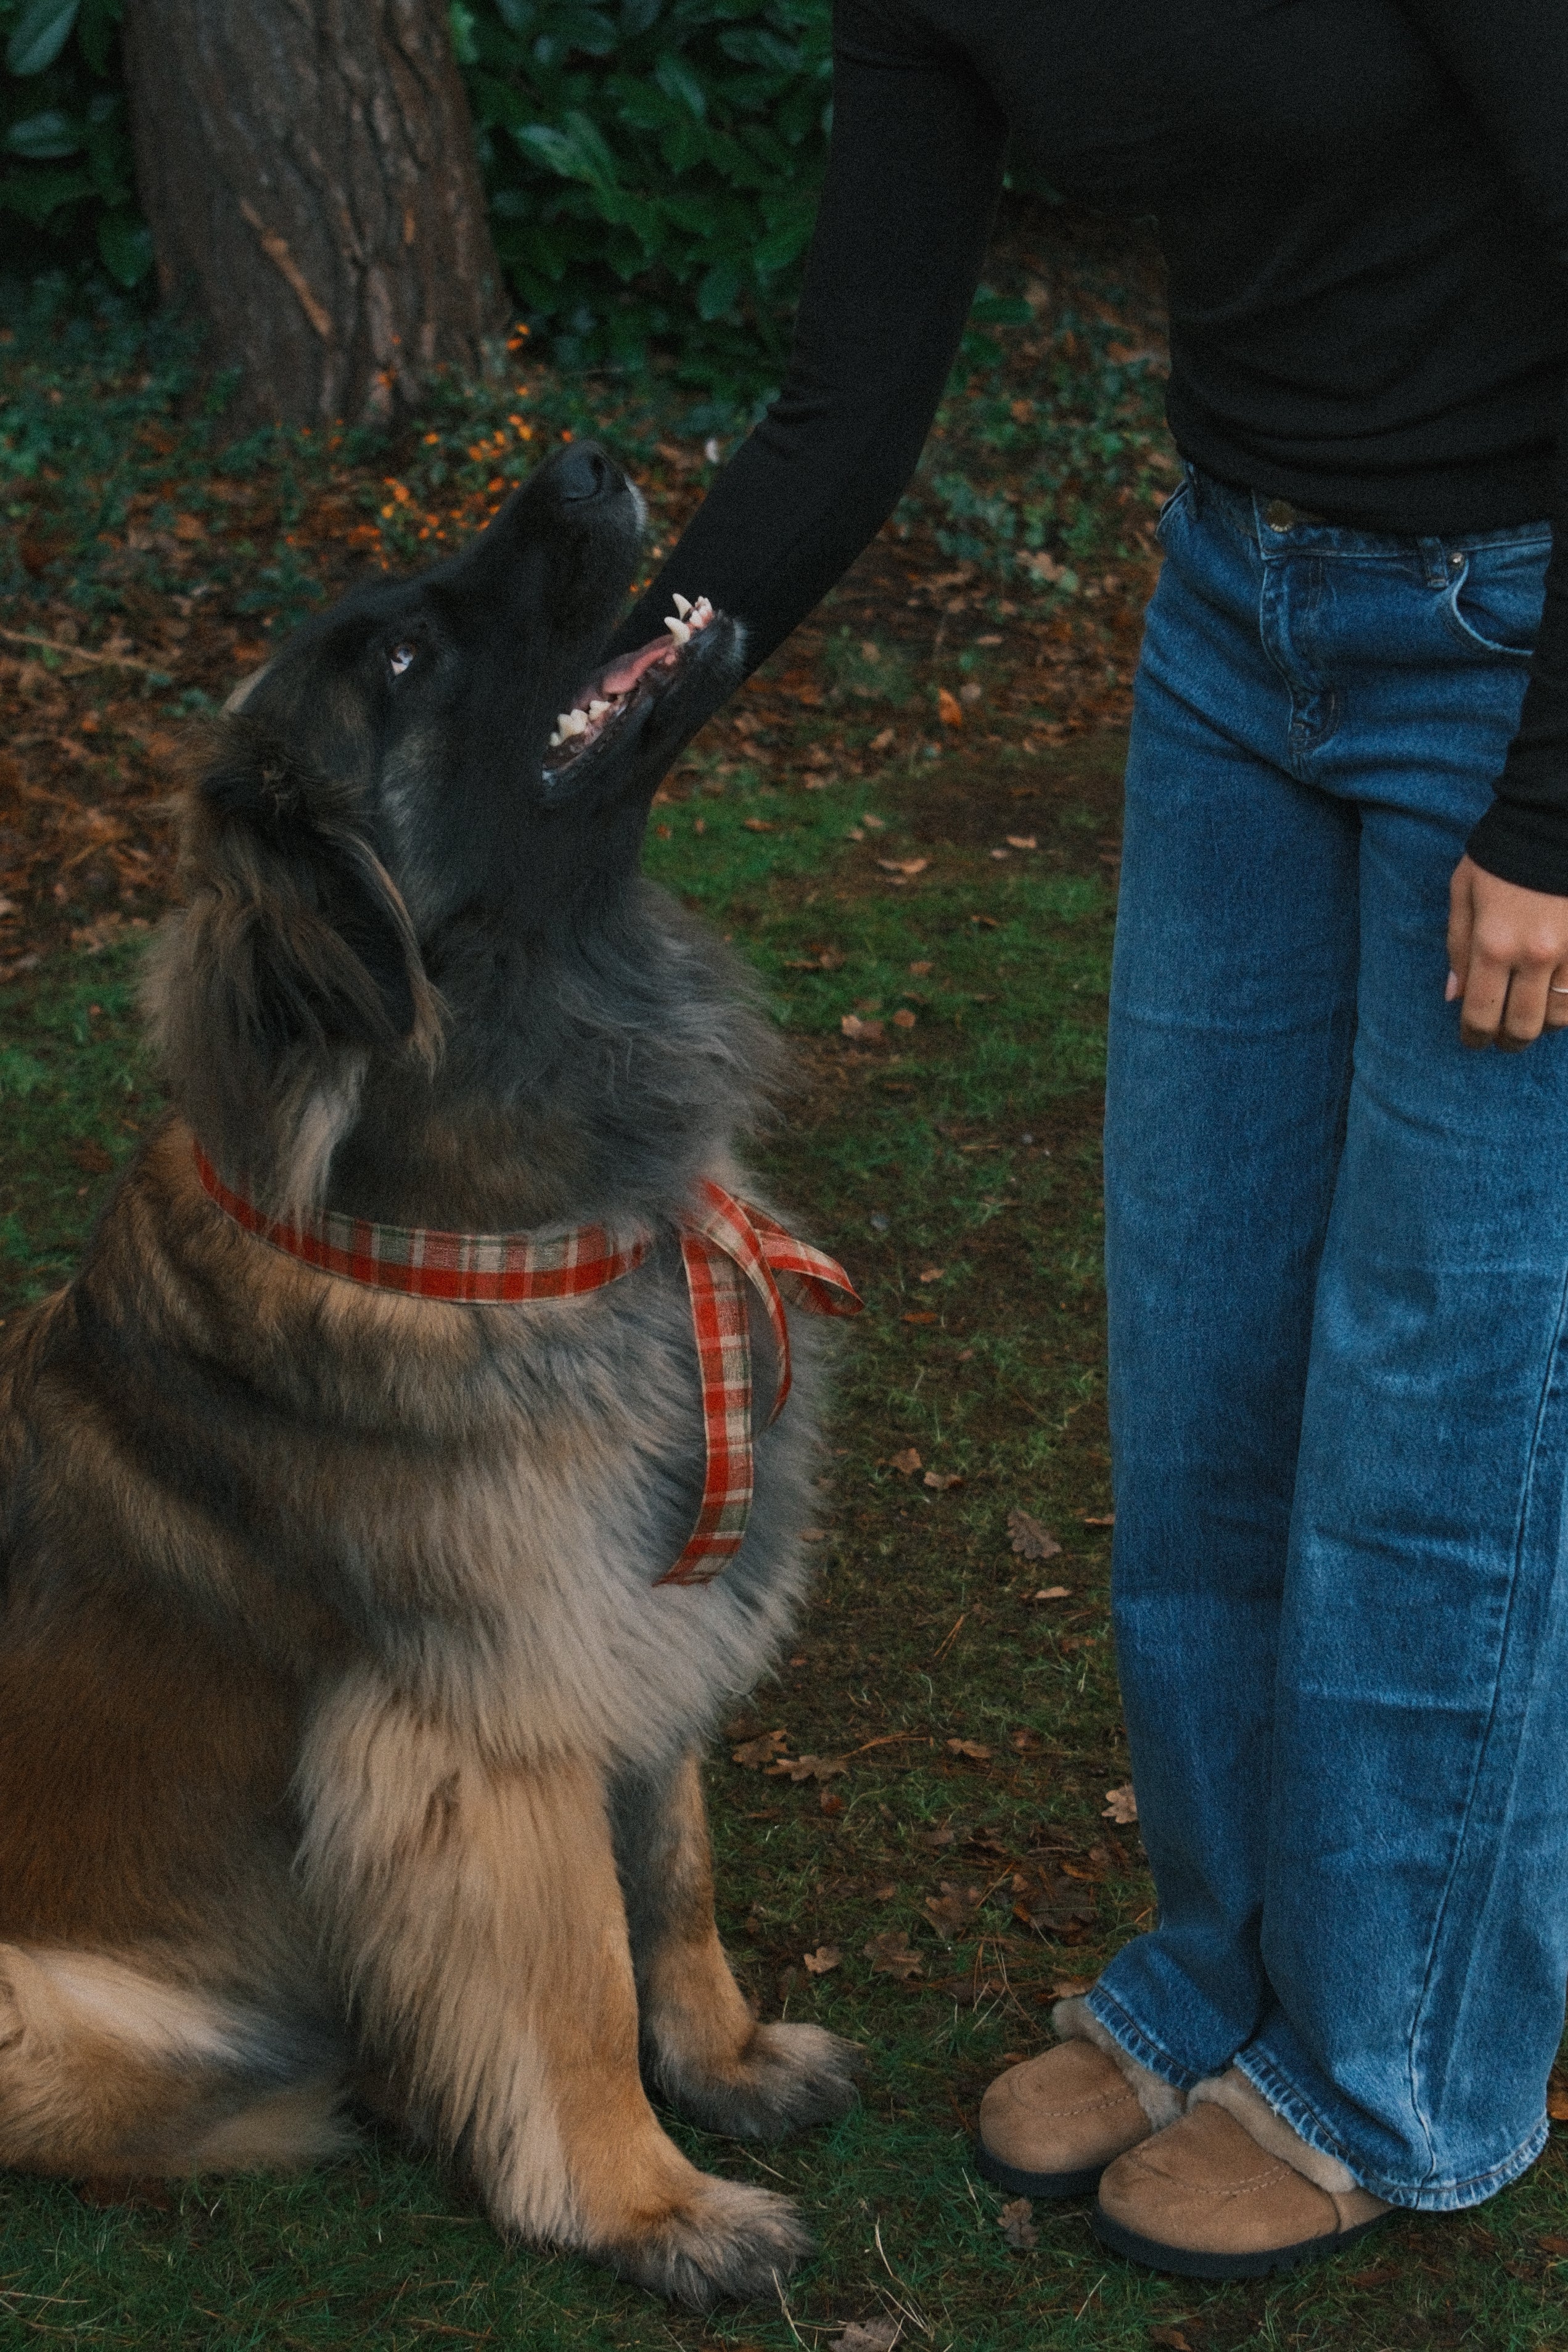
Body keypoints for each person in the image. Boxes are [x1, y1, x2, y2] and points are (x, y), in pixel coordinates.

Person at [607, 0, 1568, 2282]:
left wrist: (1556, 807)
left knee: (1439, 1397)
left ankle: (1398, 2066)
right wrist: (579, 743)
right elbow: (849, 404)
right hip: (1241, 618)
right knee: (1205, 1359)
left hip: (1512, 632)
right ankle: (1223, 1980)